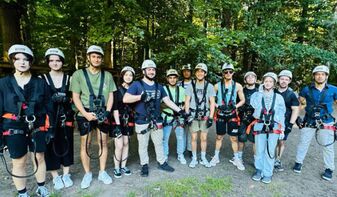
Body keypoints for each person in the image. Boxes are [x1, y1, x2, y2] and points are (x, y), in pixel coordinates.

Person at [0, 44, 54, 197]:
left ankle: (41, 187)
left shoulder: (40, 83)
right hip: (13, 125)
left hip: (37, 124)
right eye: (18, 59)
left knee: (39, 156)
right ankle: (22, 193)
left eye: (26, 59)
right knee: (18, 160)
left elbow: (49, 106)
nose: (22, 62)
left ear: (30, 62)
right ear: (12, 61)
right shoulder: (3, 84)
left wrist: (52, 129)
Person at [123, 59, 186, 177]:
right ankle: (144, 165)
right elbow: (125, 99)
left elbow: (167, 101)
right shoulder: (136, 85)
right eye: (149, 69)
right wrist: (140, 97)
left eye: (153, 70)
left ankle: (162, 162)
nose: (151, 72)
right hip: (142, 120)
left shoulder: (159, 87)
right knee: (143, 144)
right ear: (144, 71)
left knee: (159, 143)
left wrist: (180, 111)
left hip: (156, 119)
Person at [70, 45, 116, 189]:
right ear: (89, 57)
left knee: (103, 142)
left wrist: (107, 112)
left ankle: (102, 172)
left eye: (99, 57)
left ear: (102, 59)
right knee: (86, 143)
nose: (96, 59)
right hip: (85, 112)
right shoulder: (78, 74)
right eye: (93, 56)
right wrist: (85, 114)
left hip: (103, 111)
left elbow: (111, 95)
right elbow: (75, 97)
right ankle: (87, 173)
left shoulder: (107, 76)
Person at [293, 65, 337, 181]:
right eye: (317, 74)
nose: (320, 76)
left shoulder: (333, 90)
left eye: (323, 74)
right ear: (314, 76)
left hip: (326, 121)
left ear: (326, 76)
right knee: (303, 142)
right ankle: (298, 162)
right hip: (309, 120)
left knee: (328, 145)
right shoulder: (306, 89)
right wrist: (297, 117)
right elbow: (300, 103)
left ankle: (329, 168)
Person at [43, 48, 75, 190]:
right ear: (48, 62)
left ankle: (66, 174)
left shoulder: (69, 79)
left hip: (65, 117)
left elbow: (75, 98)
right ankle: (55, 176)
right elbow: (39, 99)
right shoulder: (42, 79)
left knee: (67, 143)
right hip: (49, 119)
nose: (55, 63)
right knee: (50, 146)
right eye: (52, 60)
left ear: (62, 62)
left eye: (58, 60)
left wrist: (68, 100)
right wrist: (51, 99)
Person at [250, 72, 285, 184]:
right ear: (263, 82)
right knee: (259, 149)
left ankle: (268, 172)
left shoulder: (279, 98)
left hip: (274, 125)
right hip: (260, 124)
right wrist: (260, 93)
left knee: (270, 150)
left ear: (274, 83)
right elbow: (254, 105)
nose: (268, 83)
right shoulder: (256, 95)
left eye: (270, 81)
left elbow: (281, 113)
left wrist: (282, 129)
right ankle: (259, 170)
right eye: (266, 81)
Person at [209, 63, 245, 170]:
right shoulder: (217, 86)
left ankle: (236, 158)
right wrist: (217, 106)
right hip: (220, 114)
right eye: (226, 71)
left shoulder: (238, 86)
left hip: (232, 114)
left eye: (230, 71)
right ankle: (216, 156)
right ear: (223, 73)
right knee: (219, 136)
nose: (228, 73)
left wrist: (235, 106)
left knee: (234, 138)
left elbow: (243, 100)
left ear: (233, 73)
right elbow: (210, 99)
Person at [185, 63, 216, 168]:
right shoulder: (190, 86)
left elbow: (212, 102)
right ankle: (194, 158)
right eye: (198, 71)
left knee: (203, 138)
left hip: (205, 115)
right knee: (193, 138)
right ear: (195, 73)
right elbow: (187, 101)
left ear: (205, 73)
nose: (200, 73)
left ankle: (203, 157)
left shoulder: (209, 86)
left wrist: (211, 117)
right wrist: (187, 115)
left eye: (202, 71)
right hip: (193, 115)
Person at [111, 66, 135, 178]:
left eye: (130, 75)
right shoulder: (117, 90)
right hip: (118, 120)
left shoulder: (134, 90)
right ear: (122, 76)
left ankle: (123, 165)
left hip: (129, 119)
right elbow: (115, 108)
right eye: (126, 75)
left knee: (126, 143)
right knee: (119, 145)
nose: (128, 77)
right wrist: (117, 125)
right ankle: (116, 167)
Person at [274, 70, 299, 172]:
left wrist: (291, 124)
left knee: (281, 141)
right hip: (272, 120)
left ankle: (278, 160)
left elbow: (295, 109)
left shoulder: (292, 94)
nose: (284, 81)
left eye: (286, 79)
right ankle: (270, 158)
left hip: (285, 121)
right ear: (278, 80)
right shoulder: (273, 91)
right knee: (271, 140)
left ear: (289, 81)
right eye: (282, 79)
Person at [162, 69, 186, 164]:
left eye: (174, 78)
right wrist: (174, 109)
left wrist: (181, 110)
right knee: (165, 138)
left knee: (180, 137)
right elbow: (161, 104)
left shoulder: (182, 90)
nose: (172, 80)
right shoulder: (163, 89)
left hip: (179, 117)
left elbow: (185, 103)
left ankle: (180, 154)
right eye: (170, 78)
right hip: (166, 117)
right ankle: (165, 155)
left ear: (177, 79)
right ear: (167, 79)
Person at [237, 72, 259, 156]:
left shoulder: (259, 92)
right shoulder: (240, 90)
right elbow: (236, 103)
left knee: (255, 139)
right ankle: (239, 156)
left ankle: (256, 159)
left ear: (255, 79)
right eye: (248, 77)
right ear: (245, 80)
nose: (250, 78)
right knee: (241, 138)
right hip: (243, 117)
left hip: (255, 118)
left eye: (252, 77)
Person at [178, 64, 193, 157]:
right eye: (184, 71)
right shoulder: (179, 83)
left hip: (192, 109)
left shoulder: (194, 83)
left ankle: (190, 149)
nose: (186, 73)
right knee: (182, 130)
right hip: (182, 109)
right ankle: (181, 150)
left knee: (191, 131)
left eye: (188, 71)